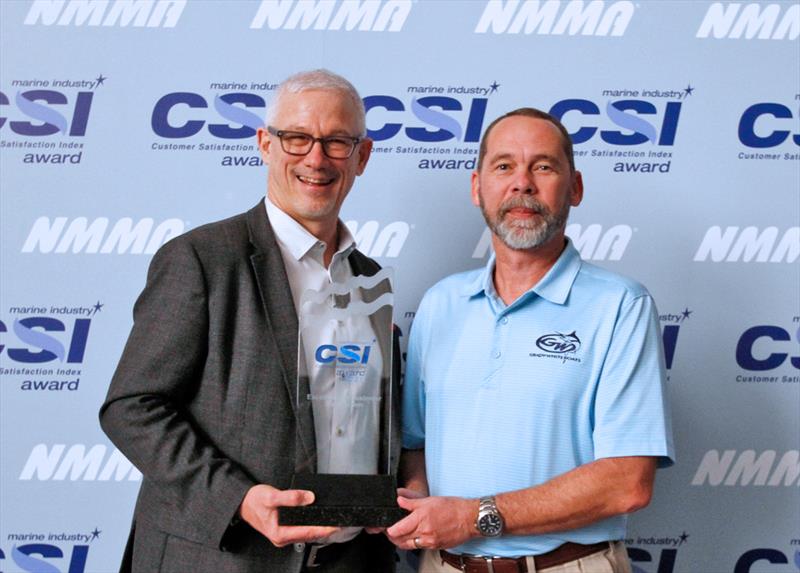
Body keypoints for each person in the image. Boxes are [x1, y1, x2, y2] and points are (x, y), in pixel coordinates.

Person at [100, 69, 399, 573]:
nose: (316, 159)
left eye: (337, 143)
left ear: (362, 157)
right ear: (265, 144)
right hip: (222, 558)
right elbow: (131, 407)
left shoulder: (369, 278)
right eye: (297, 138)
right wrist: (238, 498)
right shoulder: (201, 259)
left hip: (351, 560)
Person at [388, 108, 674, 573]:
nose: (522, 183)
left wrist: (472, 517)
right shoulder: (440, 303)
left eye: (543, 166)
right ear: (477, 186)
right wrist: (418, 504)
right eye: (504, 166)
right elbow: (415, 444)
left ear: (575, 188)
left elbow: (628, 483)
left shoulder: (620, 306)